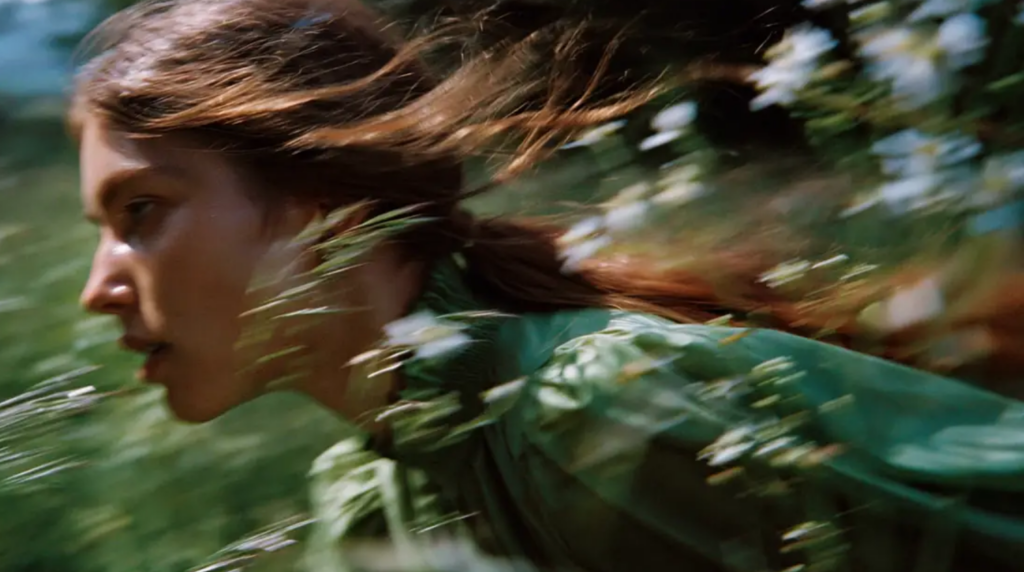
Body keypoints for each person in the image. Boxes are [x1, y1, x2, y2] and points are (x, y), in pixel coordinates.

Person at [70, 0, 1024, 570]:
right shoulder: (367, 506)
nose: (96, 290)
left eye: (141, 214)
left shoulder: (596, 409)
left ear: (323, 201)